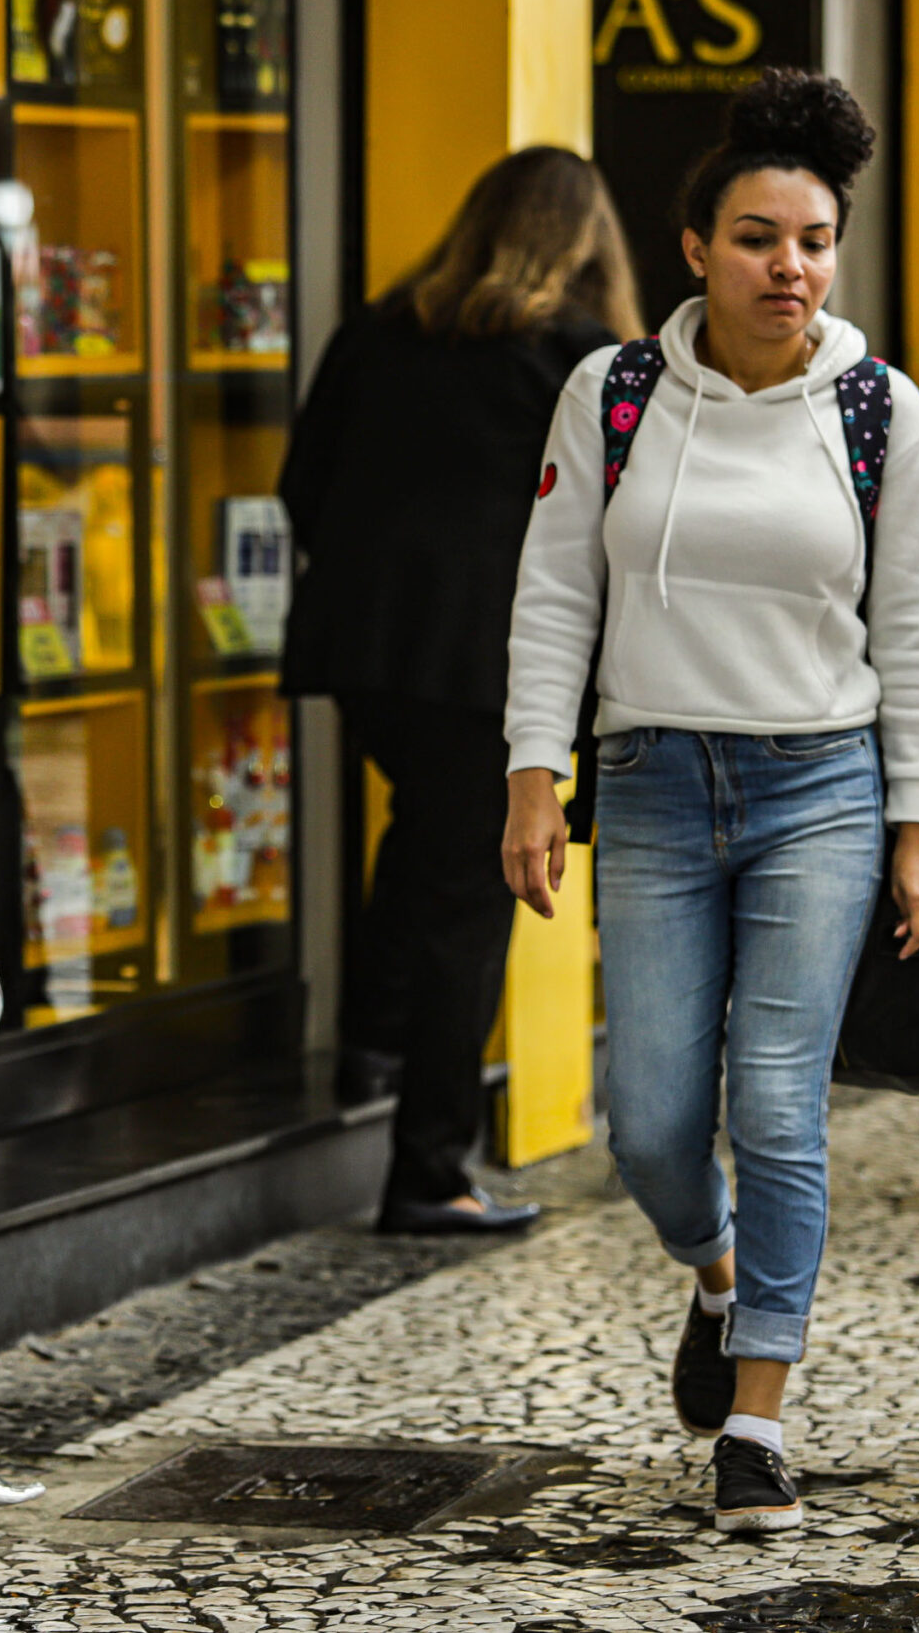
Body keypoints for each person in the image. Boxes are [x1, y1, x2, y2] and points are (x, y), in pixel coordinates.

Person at [501, 69, 919, 1533]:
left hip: (816, 781)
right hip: (647, 776)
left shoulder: (885, 414)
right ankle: (715, 1272)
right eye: (760, 237)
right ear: (695, 246)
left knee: (774, 1101)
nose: (792, 267)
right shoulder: (617, 392)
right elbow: (556, 589)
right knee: (644, 1119)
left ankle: (758, 1413)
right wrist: (532, 772)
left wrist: (916, 820)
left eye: (815, 239)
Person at [280, 146, 641, 1235]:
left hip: (371, 652)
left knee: (427, 843)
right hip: (493, 667)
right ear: (587, 240)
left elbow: (305, 481)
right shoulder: (580, 359)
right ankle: (427, 1170)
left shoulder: (380, 329)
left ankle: (369, 1047)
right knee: (467, 907)